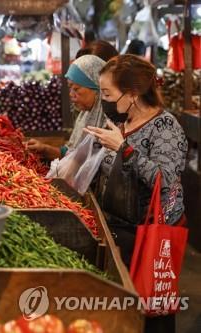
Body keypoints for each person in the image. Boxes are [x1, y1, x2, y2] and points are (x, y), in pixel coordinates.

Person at [84, 55, 186, 333]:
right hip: (119, 228)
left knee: (152, 310)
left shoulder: (166, 128)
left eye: (107, 94)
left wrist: (124, 149)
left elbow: (164, 180)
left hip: (149, 232)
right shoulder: (123, 122)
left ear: (131, 95)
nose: (103, 100)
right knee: (125, 310)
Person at [28, 55, 107, 160]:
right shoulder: (84, 116)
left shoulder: (111, 123)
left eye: (76, 88)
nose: (71, 94)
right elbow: (70, 153)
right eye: (70, 88)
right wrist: (44, 149)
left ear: (97, 88)